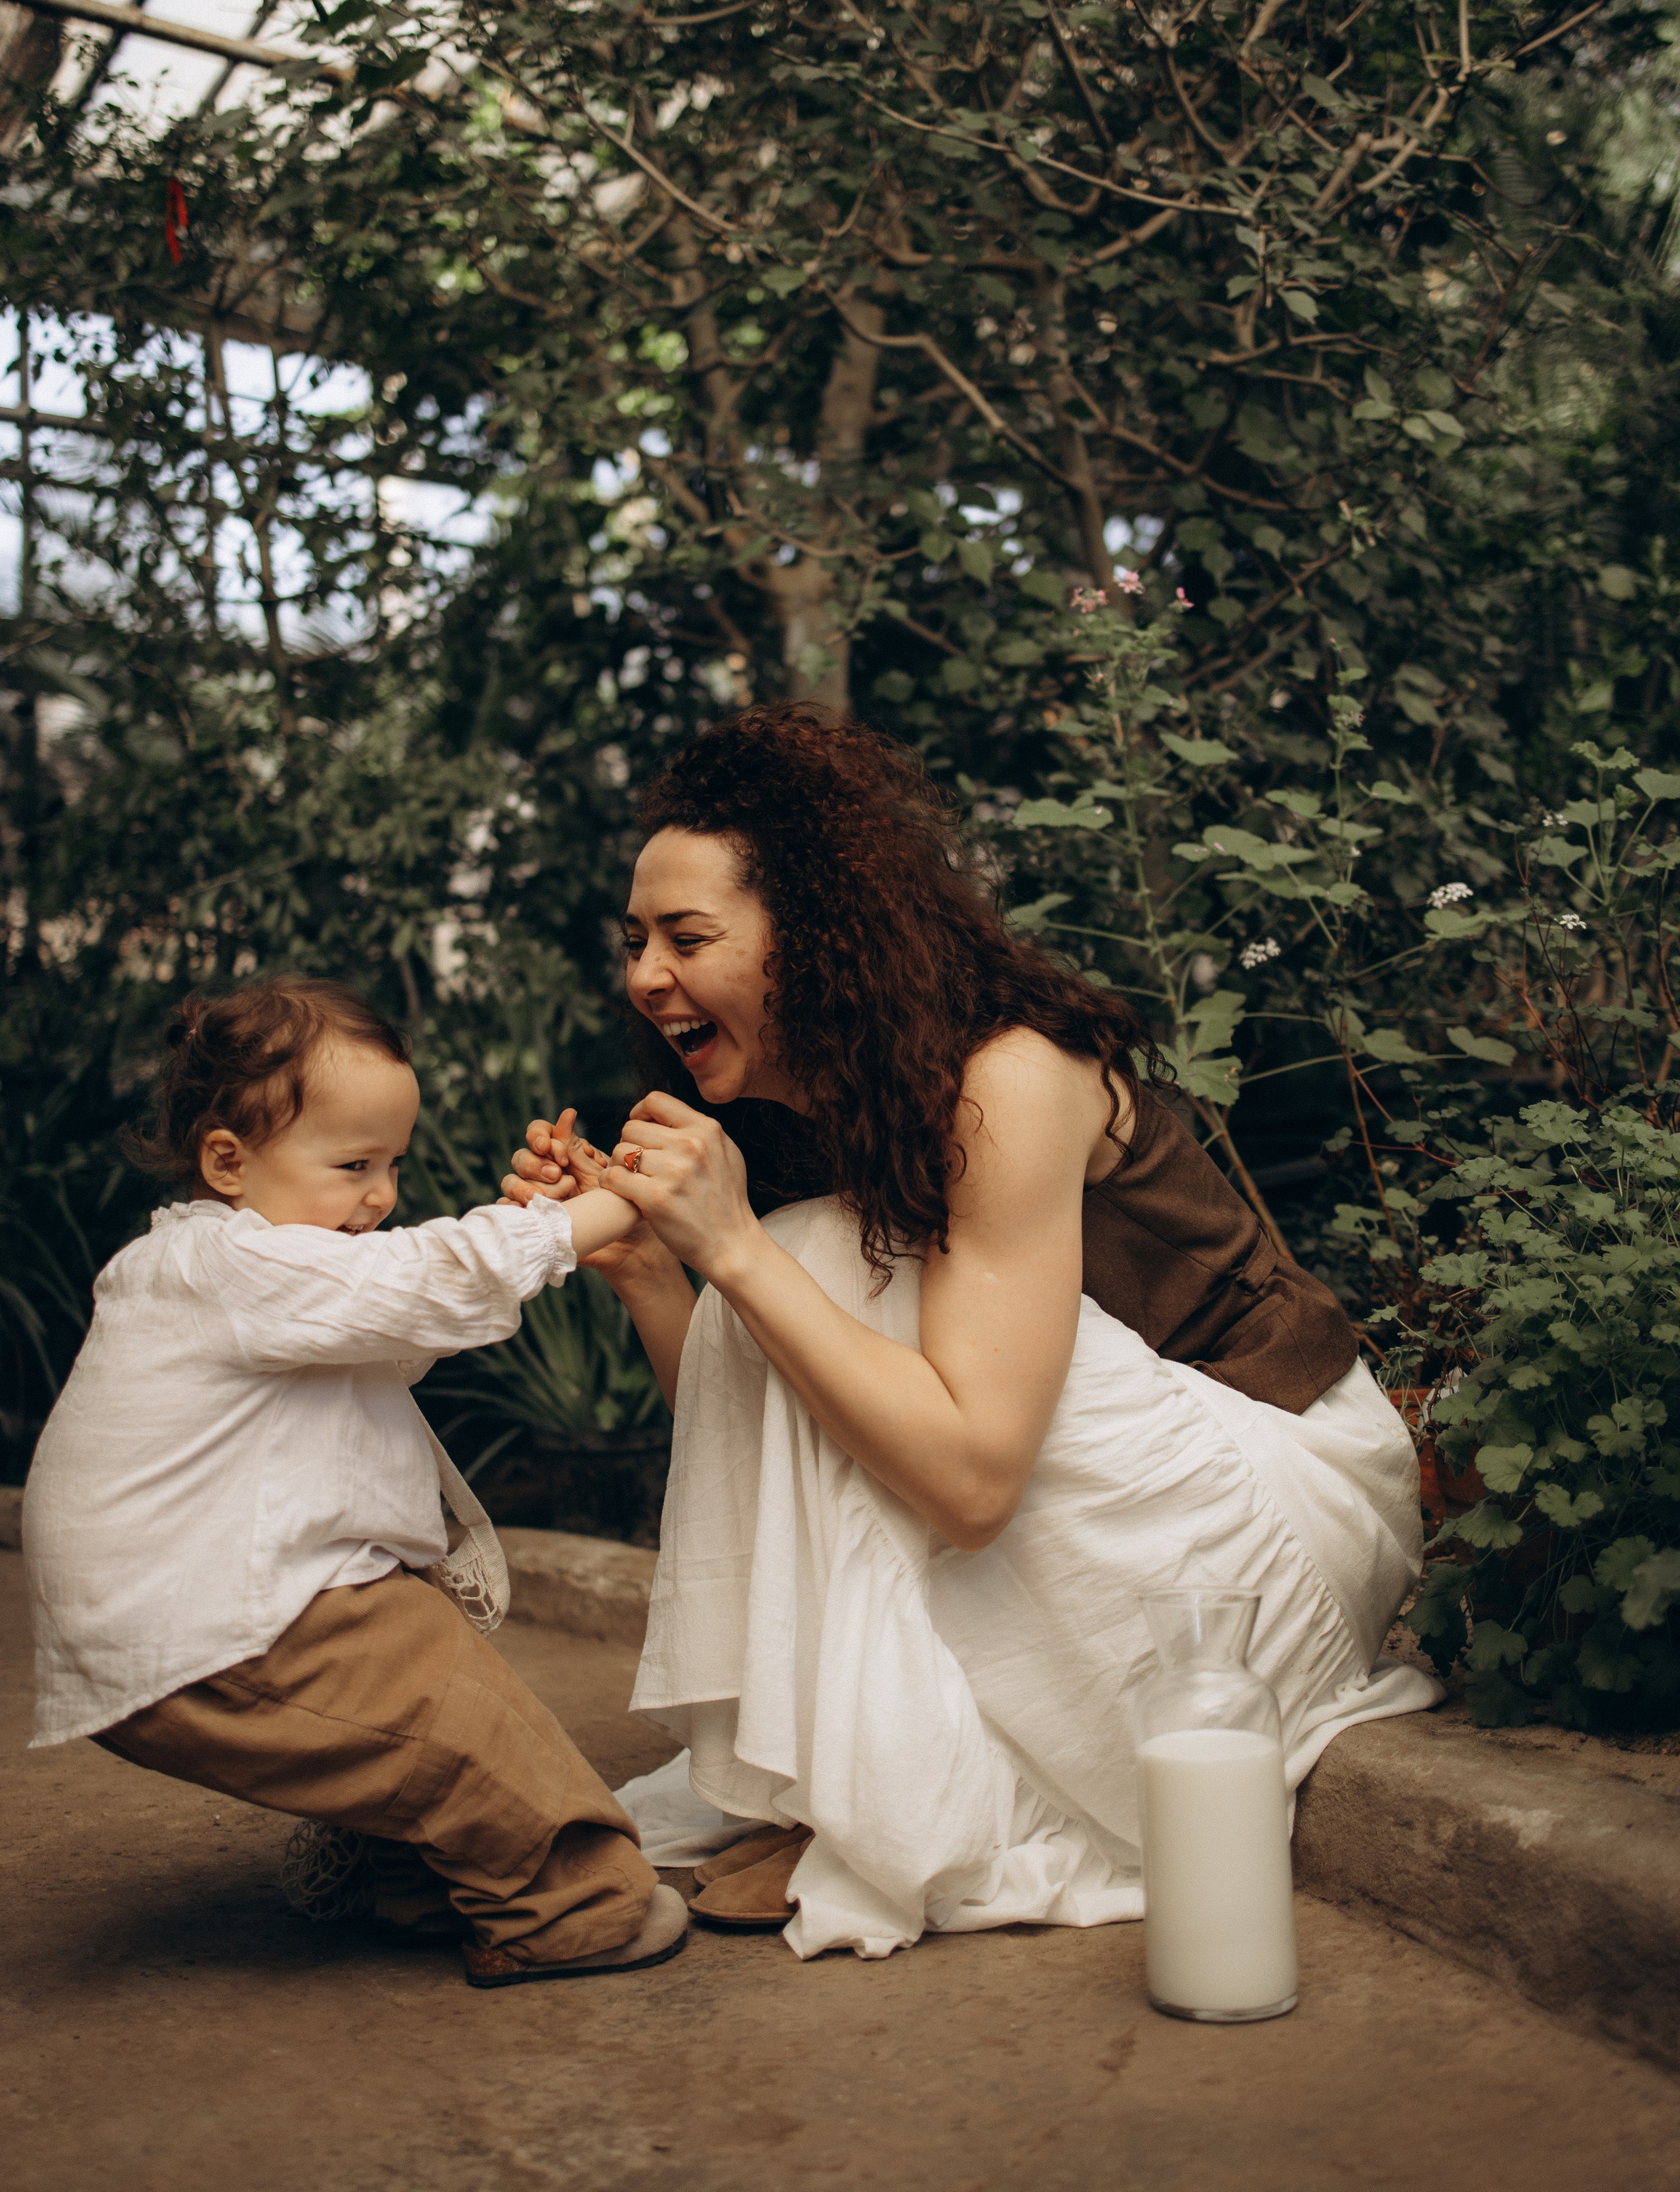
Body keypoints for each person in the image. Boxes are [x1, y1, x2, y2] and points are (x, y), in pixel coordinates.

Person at [506, 708, 1438, 1960]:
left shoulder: (1005, 1075)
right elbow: (794, 1458)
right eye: (635, 942)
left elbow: (972, 1478)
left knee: (808, 1258)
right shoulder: (834, 1106)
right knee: (798, 1272)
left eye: (689, 938)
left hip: (1274, 1514)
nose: (646, 977)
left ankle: (866, 1793)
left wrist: (733, 1246)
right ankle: (830, 1781)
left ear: (818, 934)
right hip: (1118, 1514)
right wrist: (653, 1278)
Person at [23, 974, 687, 1987]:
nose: (380, 1194)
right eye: (352, 1164)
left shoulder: (232, 1267)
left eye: (393, 1165)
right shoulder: (232, 1265)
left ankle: (412, 1883)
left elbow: (392, 1328)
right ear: (228, 1162)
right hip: (221, 1612)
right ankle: (573, 1906)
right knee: (457, 1716)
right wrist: (600, 1212)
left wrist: (549, 1230)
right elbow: (424, 1280)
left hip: (200, 1609)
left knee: (404, 1711)